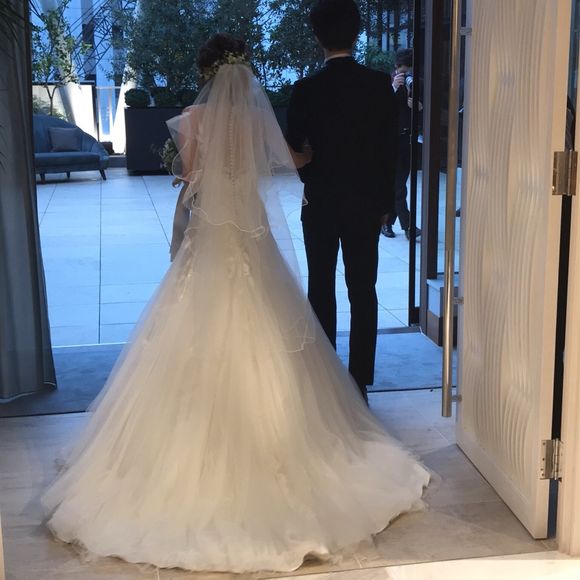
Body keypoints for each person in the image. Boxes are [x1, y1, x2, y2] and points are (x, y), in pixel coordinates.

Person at [42, 33, 429, 573]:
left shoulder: (193, 119)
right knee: (273, 317)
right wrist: (315, 154)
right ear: (243, 74)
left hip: (211, 234)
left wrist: (186, 177)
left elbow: (190, 177)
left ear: (206, 72)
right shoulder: (256, 119)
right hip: (250, 232)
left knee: (189, 327)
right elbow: (294, 159)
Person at [286, 0, 397, 401]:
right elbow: (390, 149)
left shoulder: (306, 89)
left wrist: (311, 170)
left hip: (320, 199)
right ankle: (359, 380)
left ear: (317, 37)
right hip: (366, 201)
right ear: (357, 33)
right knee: (363, 288)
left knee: (321, 286)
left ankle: (325, 377)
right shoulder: (379, 85)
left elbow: (293, 148)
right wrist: (387, 203)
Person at [381, 48, 421, 240]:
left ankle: (387, 223)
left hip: (408, 140)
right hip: (390, 142)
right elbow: (379, 110)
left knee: (398, 185)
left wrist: (419, 107)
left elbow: (426, 112)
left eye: (410, 71)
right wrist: (394, 89)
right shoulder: (386, 84)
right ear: (396, 67)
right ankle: (409, 227)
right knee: (398, 186)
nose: (406, 75)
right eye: (404, 71)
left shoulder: (416, 83)